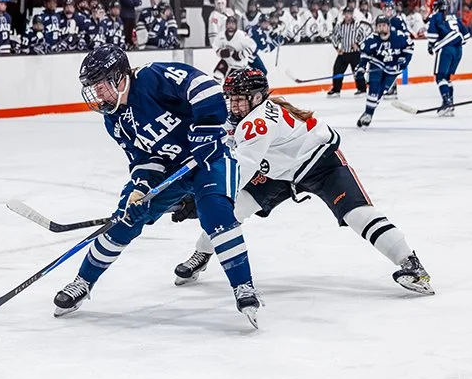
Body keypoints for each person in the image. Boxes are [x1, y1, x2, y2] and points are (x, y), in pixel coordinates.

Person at [172, 69, 432, 295]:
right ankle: (202, 253)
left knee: (357, 214)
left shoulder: (258, 122)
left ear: (258, 97)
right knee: (234, 209)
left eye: (241, 99)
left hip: (320, 163)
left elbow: (241, 169)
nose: (235, 105)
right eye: (232, 99)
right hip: (277, 172)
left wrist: (205, 197)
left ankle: (411, 264)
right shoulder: (241, 117)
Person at [53, 46, 260, 327]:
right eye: (93, 88)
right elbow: (144, 159)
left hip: (211, 156)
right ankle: (83, 282)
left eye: (100, 86)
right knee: (124, 221)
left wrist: (207, 130)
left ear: (119, 77)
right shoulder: (113, 119)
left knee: (216, 213)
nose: (97, 94)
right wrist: (140, 190)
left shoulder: (152, 78)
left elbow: (204, 87)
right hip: (174, 169)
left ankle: (243, 287)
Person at [355, 14, 413, 128]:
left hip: (392, 69)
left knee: (381, 92)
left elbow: (409, 47)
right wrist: (361, 67)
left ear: (388, 26)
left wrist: (403, 61)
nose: (381, 27)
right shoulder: (371, 39)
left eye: (384, 25)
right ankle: (369, 115)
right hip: (377, 65)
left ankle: (367, 112)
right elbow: (365, 55)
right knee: (374, 89)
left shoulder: (399, 37)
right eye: (379, 25)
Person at [425, 0, 471, 115]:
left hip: (446, 50)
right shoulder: (455, 17)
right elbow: (466, 35)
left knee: (440, 77)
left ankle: (446, 102)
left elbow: (432, 36)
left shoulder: (435, 16)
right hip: (459, 50)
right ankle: (450, 104)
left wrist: (432, 46)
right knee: (447, 77)